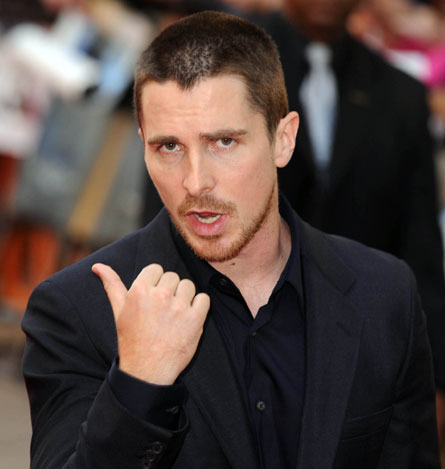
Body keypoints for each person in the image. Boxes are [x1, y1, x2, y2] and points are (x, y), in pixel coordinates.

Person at [22, 10, 440, 469]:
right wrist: (139, 384)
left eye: (223, 142)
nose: (195, 182)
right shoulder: (79, 309)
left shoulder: (384, 295)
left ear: (283, 139)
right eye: (169, 147)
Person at [252, 0, 445, 397]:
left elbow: (421, 248)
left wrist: (434, 377)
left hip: (366, 366)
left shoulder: (401, 96)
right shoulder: (225, 71)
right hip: (242, 355)